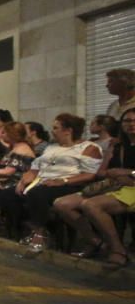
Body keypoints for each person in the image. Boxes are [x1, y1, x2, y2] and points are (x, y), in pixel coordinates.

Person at [0, 113, 102, 251]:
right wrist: (23, 181)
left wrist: (63, 181)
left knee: (37, 193)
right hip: (43, 182)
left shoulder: (89, 148)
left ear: (68, 130)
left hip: (69, 184)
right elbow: (35, 167)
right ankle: (20, 230)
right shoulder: (51, 147)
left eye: (56, 128)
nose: (52, 131)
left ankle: (40, 234)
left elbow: (90, 174)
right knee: (8, 194)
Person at [52, 107, 135, 266]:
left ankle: (118, 250)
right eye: (127, 121)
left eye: (134, 120)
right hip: (113, 186)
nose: (131, 124)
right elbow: (101, 172)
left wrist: (130, 172)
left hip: (132, 188)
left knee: (91, 205)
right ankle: (96, 242)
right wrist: (114, 173)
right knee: (62, 204)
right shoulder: (117, 146)